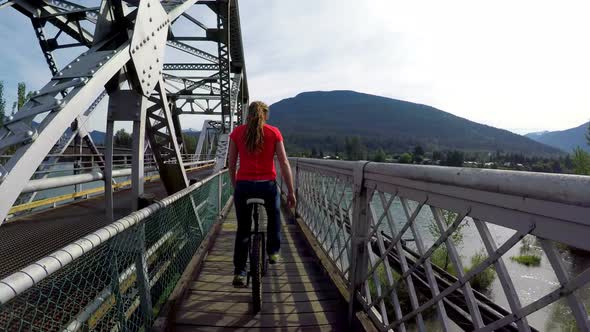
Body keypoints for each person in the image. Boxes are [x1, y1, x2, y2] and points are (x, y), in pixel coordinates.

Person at [228, 101, 296, 287]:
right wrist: (290, 191)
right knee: (274, 216)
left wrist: (236, 187)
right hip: (267, 186)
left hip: (244, 186)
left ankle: (240, 273)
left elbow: (231, 165)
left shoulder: (237, 133)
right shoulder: (274, 132)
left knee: (243, 229)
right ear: (265, 115)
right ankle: (273, 251)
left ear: (248, 115)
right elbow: (283, 163)